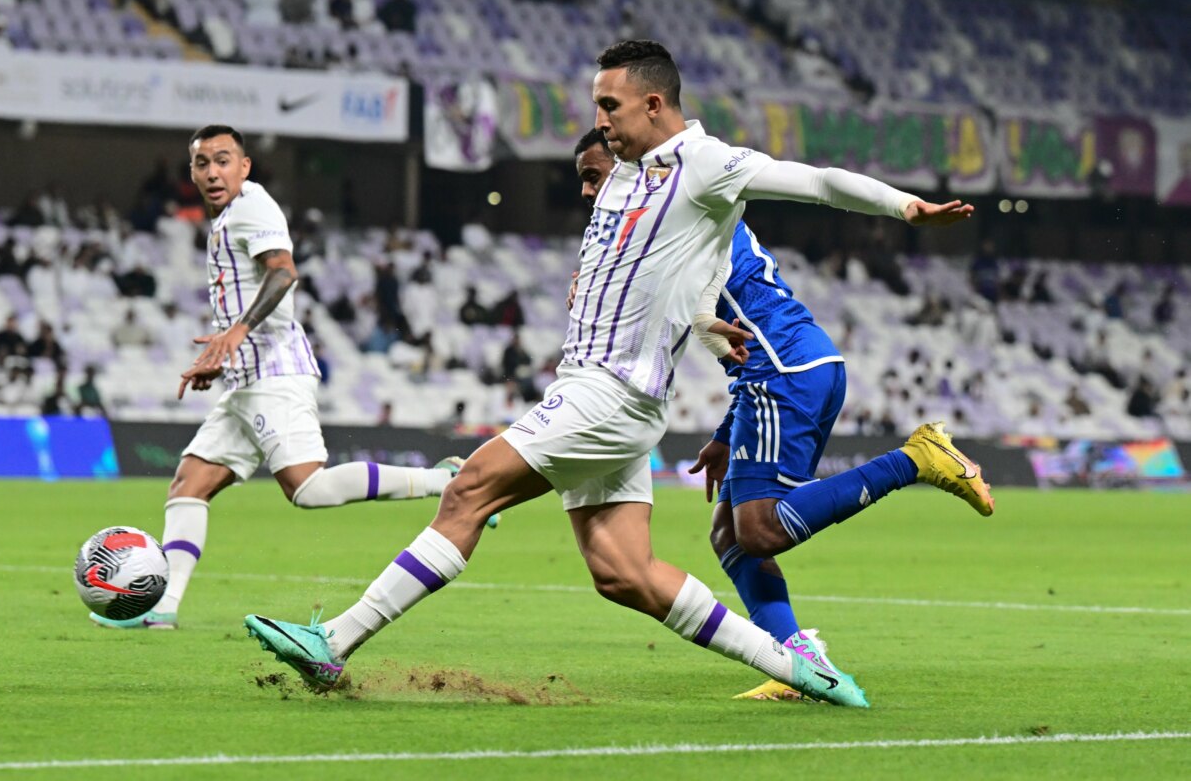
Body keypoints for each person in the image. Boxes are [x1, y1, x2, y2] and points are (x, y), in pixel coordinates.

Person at [245, 41, 986, 705]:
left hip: (610, 394)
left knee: (470, 487)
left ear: (654, 102)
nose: (600, 119)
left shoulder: (706, 164)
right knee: (623, 571)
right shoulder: (624, 179)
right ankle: (804, 669)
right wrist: (698, 321)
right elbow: (679, 277)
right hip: (608, 395)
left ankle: (333, 643)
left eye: (610, 104)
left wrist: (907, 207)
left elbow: (817, 181)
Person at [573, 126, 992, 702]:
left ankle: (915, 459)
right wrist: (726, 433)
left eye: (597, 174)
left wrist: (904, 206)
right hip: (787, 369)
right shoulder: (662, 227)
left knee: (759, 529)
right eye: (584, 181)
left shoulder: (689, 207)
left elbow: (702, 307)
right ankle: (797, 661)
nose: (590, 192)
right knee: (729, 535)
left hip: (786, 371)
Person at [90, 125, 464, 631]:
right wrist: (222, 354)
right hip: (244, 378)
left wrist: (237, 332)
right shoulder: (226, 220)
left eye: (223, 160)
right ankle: (164, 607)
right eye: (202, 163)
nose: (212, 171)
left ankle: (445, 481)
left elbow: (284, 272)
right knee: (188, 485)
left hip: (275, 372)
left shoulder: (252, 205)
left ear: (245, 167)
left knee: (306, 488)